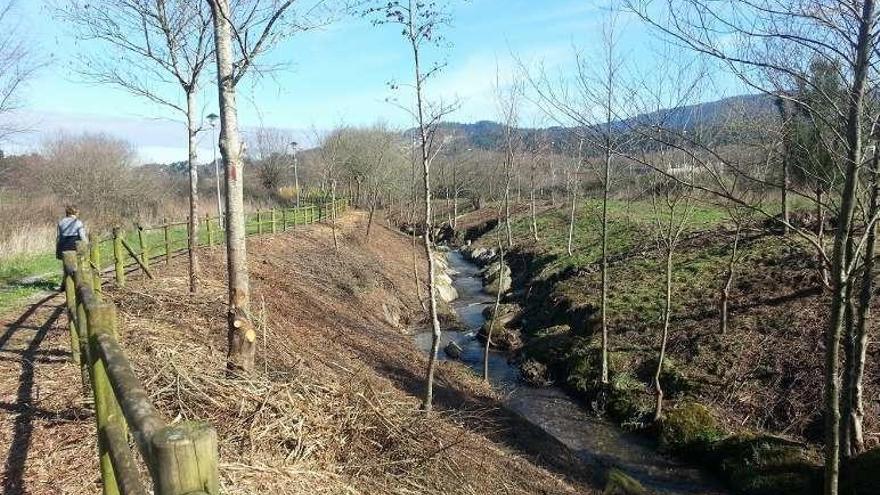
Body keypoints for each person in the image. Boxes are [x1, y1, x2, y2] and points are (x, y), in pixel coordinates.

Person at [56, 206, 87, 289]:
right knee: (77, 266)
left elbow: (59, 237)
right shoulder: (78, 222)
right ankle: (78, 284)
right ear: (75, 213)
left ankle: (64, 285)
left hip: (64, 244)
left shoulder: (61, 222)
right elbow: (82, 236)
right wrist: (86, 245)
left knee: (66, 266)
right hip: (74, 244)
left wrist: (58, 248)